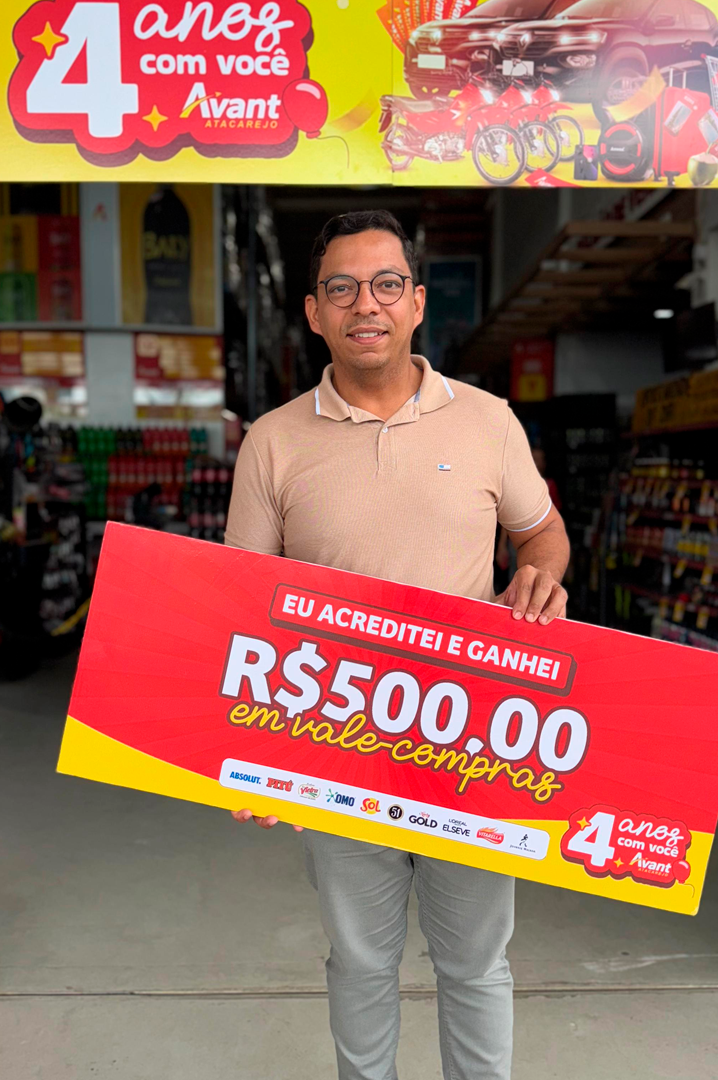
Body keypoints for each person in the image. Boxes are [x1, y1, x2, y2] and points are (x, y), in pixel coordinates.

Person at [224, 210, 570, 1080]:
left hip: (471, 746)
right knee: (360, 962)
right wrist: (247, 754)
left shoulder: (488, 421)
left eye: (385, 285)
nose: (365, 305)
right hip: (335, 744)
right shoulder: (272, 441)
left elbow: (542, 531)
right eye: (342, 288)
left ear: (416, 302)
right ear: (314, 312)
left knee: (476, 964)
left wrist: (540, 573)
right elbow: (239, 605)